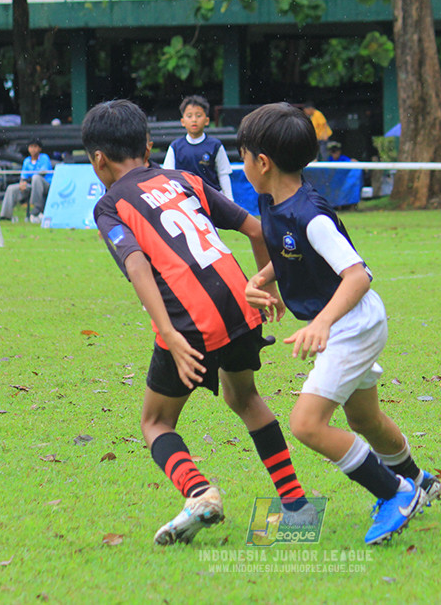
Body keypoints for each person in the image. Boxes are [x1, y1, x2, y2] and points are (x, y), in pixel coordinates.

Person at [82, 99, 316, 546]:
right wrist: (266, 284)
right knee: (244, 398)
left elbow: (136, 265)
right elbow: (254, 228)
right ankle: (296, 506)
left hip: (188, 323)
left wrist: (169, 333)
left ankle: (199, 491)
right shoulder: (183, 179)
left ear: (99, 159)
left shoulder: (111, 205)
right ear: (146, 145)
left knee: (156, 423)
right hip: (239, 304)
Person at [238, 103, 441, 546]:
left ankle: (394, 494)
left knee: (307, 424)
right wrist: (262, 278)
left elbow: (358, 274)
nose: (242, 164)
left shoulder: (311, 216)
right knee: (364, 418)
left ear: (263, 162)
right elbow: (285, 253)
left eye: (243, 155)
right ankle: (417, 481)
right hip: (352, 322)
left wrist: (323, 323)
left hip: (351, 323)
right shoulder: (271, 200)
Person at [162, 95, 233, 200]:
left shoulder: (215, 146)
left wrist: (230, 201)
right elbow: (168, 177)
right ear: (183, 122)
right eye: (189, 116)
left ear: (207, 120)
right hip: (185, 200)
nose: (194, 120)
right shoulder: (175, 147)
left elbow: (223, 175)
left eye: (198, 115)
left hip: (212, 200)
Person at [0, 138, 53, 223]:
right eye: (31, 147)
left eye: (35, 147)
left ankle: (37, 207)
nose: (33, 149)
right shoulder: (27, 161)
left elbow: (42, 173)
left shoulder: (44, 158)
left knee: (36, 178)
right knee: (11, 188)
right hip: (31, 185)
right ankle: (5, 215)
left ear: (40, 148)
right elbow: (24, 176)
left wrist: (26, 181)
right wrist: (22, 183)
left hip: (45, 185)